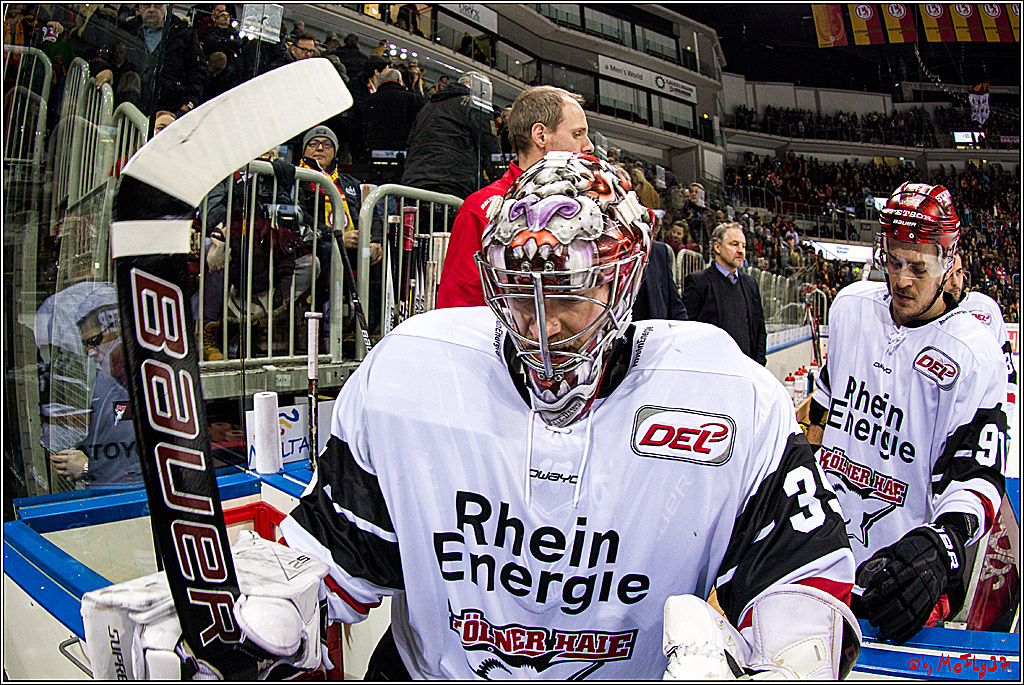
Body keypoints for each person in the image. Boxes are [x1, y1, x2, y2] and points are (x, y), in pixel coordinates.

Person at [278, 153, 859, 680]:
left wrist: (787, 657)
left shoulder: (726, 392)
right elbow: (339, 554)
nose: (541, 325)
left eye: (566, 295)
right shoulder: (416, 367)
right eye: (519, 291)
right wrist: (280, 606)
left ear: (621, 282)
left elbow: (799, 572)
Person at [806, 182, 1008, 645]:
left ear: (948, 261)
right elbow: (826, 403)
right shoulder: (850, 308)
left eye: (919, 267)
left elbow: (977, 477)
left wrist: (942, 547)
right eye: (894, 261)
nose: (901, 279)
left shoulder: (973, 352)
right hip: (822, 561)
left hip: (899, 579)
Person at [435, 85, 592, 309]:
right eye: (577, 134)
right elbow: (459, 311)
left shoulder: (592, 205)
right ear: (540, 135)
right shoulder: (482, 209)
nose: (589, 146)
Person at [48, 286, 143, 488]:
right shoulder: (105, 379)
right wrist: (80, 451)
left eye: (94, 342)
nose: (91, 353)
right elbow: (104, 438)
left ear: (118, 330)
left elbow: (137, 471)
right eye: (86, 345)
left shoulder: (145, 385)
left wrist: (87, 467)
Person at [91, 3, 207, 118]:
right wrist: (105, 69)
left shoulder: (184, 33)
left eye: (157, 5)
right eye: (146, 5)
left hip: (167, 115)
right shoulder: (126, 29)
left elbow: (198, 73)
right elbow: (100, 54)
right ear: (139, 7)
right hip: (127, 113)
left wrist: (184, 109)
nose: (151, 9)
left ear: (166, 6)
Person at [401, 71, 501, 200]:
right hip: (452, 184)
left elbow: (410, 144)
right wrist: (504, 187)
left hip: (414, 184)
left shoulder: (428, 107)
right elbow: (491, 148)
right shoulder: (475, 105)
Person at [682, 222, 768, 365]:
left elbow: (759, 329)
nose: (740, 250)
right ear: (717, 247)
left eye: (743, 246)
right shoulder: (699, 282)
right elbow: (688, 331)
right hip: (712, 370)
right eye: (734, 244)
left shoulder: (750, 284)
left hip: (745, 369)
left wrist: (758, 366)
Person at [945, 251, 1017, 390]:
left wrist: (1007, 409)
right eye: (949, 275)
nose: (955, 282)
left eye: (959, 273)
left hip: (985, 407)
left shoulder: (986, 307)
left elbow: (1008, 371)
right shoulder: (924, 313)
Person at [349, 67, 424, 182]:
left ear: (379, 83)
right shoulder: (414, 100)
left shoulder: (366, 103)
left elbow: (356, 134)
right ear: (400, 81)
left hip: (373, 165)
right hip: (405, 163)